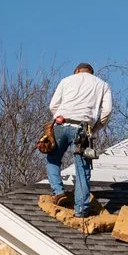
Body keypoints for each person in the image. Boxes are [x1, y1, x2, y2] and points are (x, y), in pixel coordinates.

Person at [45, 63, 113, 218]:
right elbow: (107, 111)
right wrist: (95, 127)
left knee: (53, 158)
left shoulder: (66, 80)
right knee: (82, 169)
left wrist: (58, 118)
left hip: (61, 124)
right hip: (83, 129)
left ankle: (58, 191)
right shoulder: (102, 85)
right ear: (92, 73)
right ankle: (81, 209)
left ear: (76, 71)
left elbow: (53, 105)